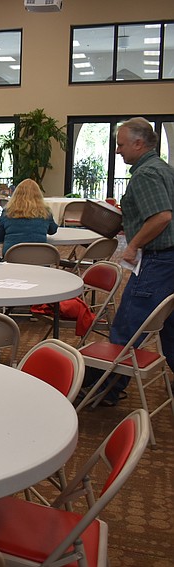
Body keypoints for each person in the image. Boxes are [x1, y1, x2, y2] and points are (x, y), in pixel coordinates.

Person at [94, 117, 174, 405]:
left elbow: (163, 216)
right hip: (169, 260)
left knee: (128, 327)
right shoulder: (163, 169)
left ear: (139, 143)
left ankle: (105, 390)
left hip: (157, 262)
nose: (118, 150)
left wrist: (134, 243)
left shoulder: (145, 174)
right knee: (170, 329)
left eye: (120, 144)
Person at [0, 178, 58, 253]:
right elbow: (52, 230)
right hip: (39, 258)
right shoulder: (45, 212)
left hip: (12, 257)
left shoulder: (8, 212)